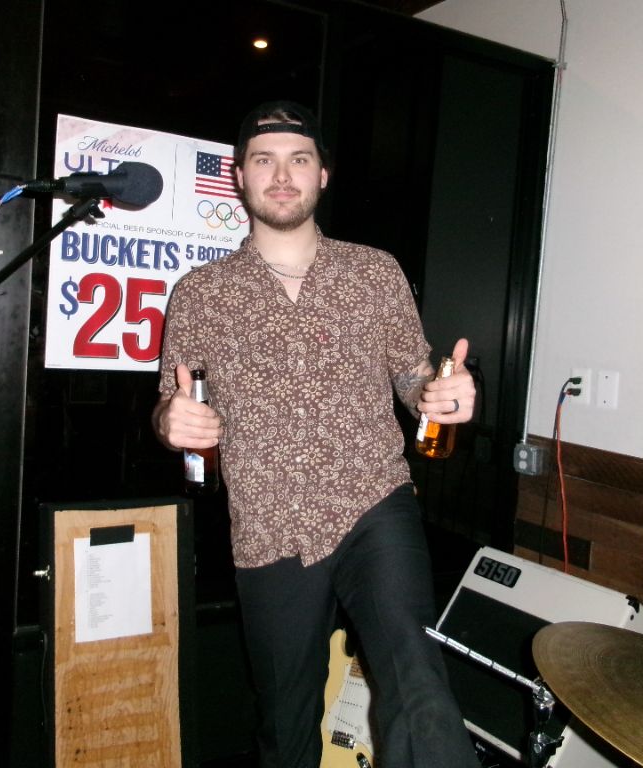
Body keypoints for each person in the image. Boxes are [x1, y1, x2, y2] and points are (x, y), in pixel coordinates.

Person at [153, 100, 480, 768]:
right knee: (285, 717)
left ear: (322, 175)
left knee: (417, 678)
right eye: (264, 160)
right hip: (268, 522)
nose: (282, 175)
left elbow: (414, 375)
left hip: (374, 500)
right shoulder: (199, 292)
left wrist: (439, 394)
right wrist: (171, 423)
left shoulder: (375, 271)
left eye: (299, 160)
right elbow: (170, 400)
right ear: (239, 177)